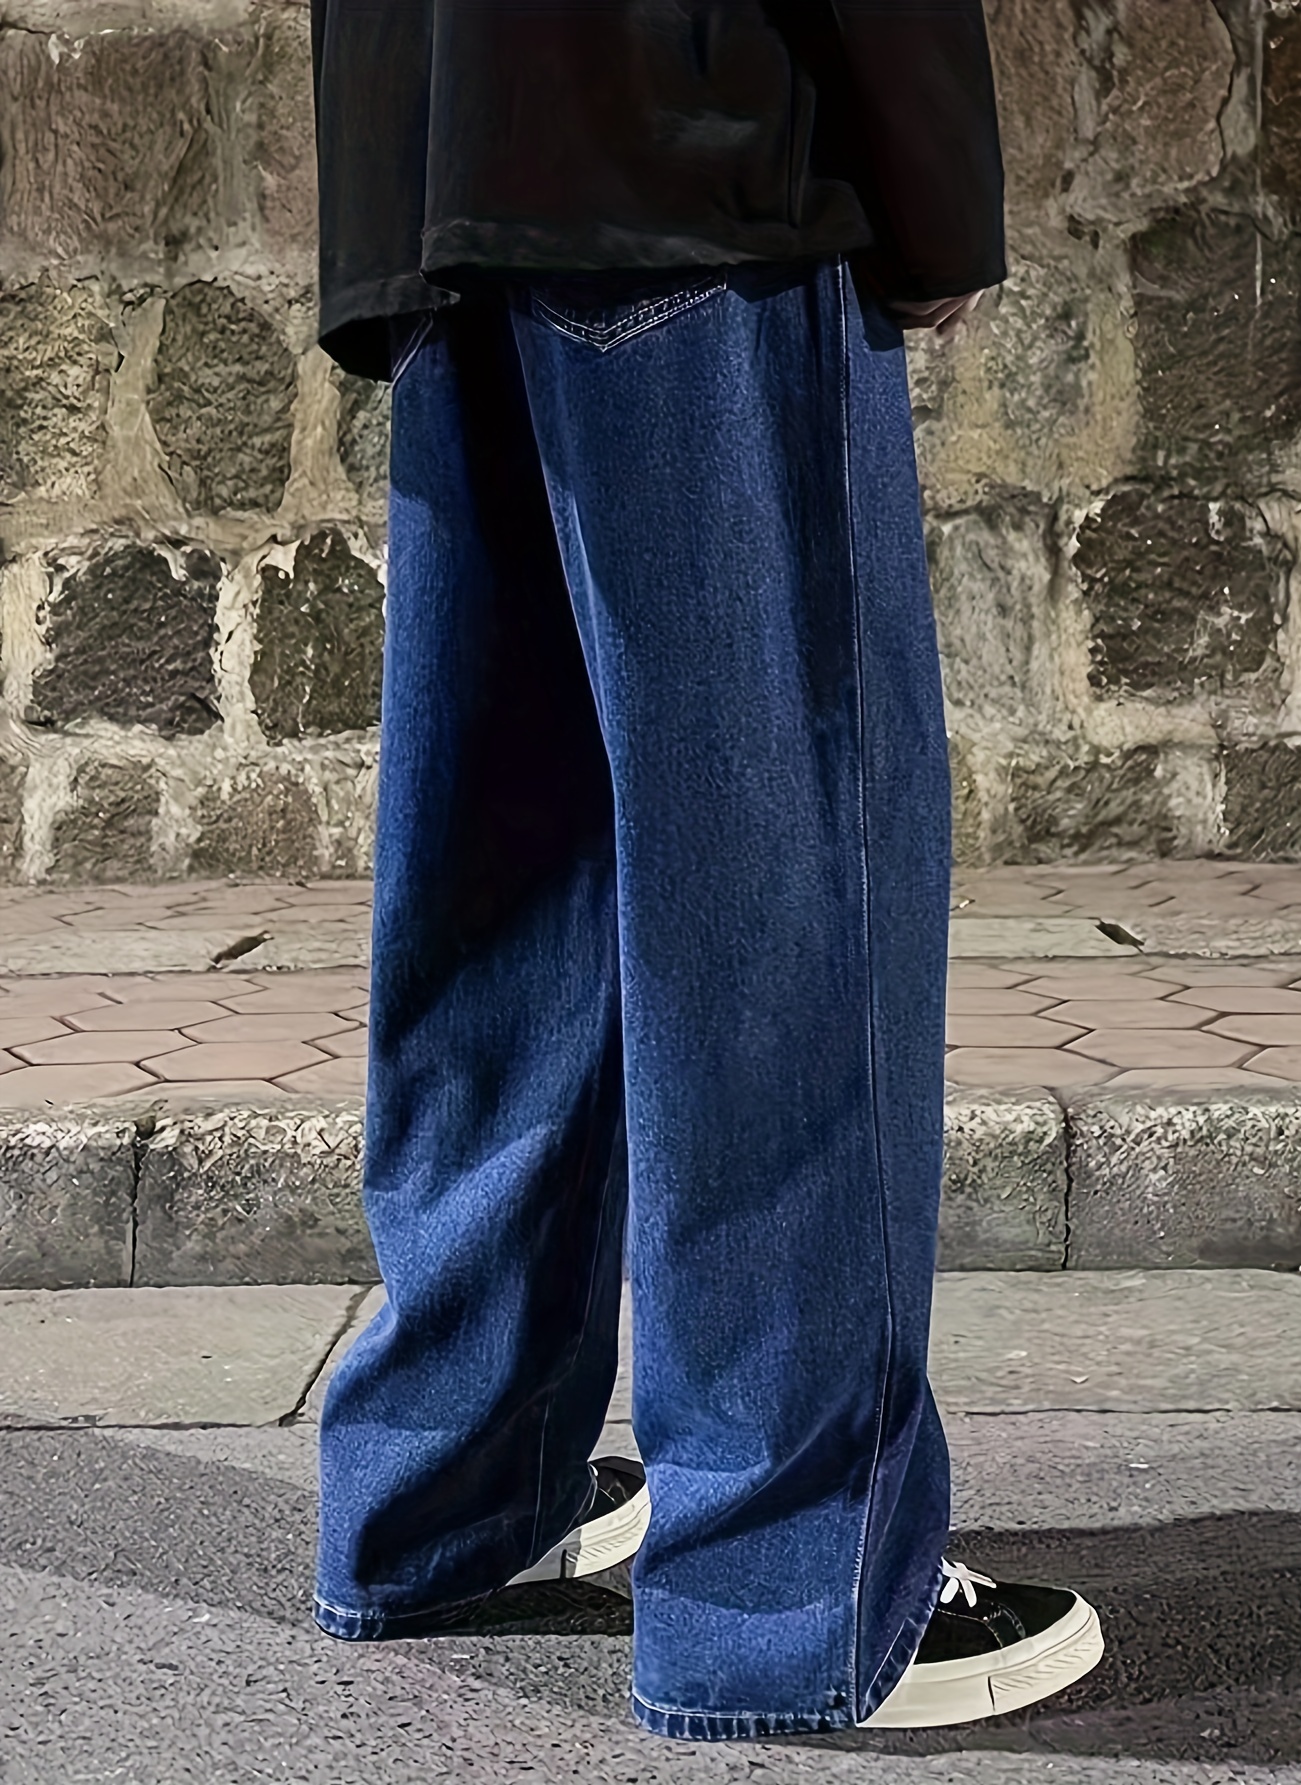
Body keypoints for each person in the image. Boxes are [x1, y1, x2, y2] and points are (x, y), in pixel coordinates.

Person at [305, 0, 1104, 1742]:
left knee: (509, 867)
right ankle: (788, 1583)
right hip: (692, 138)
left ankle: (449, 1492)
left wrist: (381, 184)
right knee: (782, 888)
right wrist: (934, 186)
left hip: (441, 151)